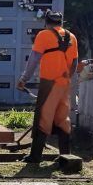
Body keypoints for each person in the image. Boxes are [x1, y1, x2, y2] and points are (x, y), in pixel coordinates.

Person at [17, 11, 78, 163]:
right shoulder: (72, 37)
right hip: (64, 84)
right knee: (62, 118)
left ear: (46, 22)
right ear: (61, 23)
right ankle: (66, 155)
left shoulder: (44, 35)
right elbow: (75, 63)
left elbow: (34, 59)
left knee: (43, 117)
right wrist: (67, 79)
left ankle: (36, 155)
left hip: (48, 83)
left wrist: (24, 79)